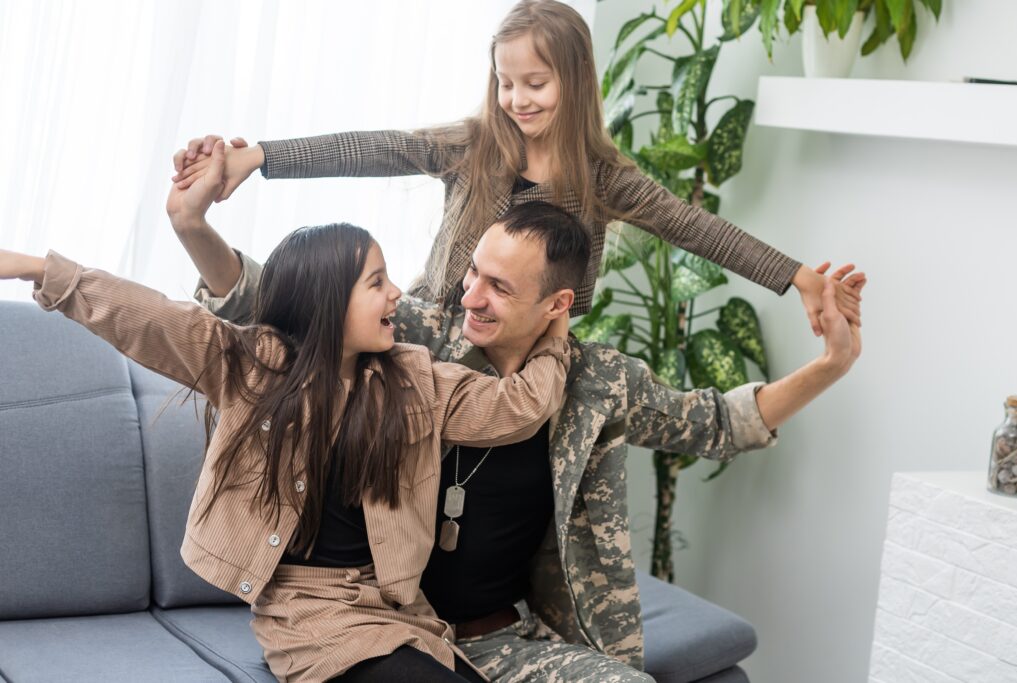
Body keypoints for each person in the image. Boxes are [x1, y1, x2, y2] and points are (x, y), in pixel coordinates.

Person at [184, 197, 863, 682]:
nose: (471, 294)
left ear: (556, 306)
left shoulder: (598, 382)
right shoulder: (415, 336)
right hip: (387, 628)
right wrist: (193, 225)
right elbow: (275, 300)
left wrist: (831, 364)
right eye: (473, 270)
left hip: (504, 641)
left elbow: (716, 421)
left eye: (498, 286)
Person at [0, 141, 574, 683]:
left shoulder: (414, 377)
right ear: (329, 298)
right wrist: (35, 268)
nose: (397, 293)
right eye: (377, 282)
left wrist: (554, 332)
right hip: (306, 616)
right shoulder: (253, 366)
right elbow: (146, 318)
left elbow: (517, 409)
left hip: (396, 612)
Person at [169, 0, 863, 335]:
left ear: (575, 80)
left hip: (522, 349)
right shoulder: (474, 144)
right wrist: (259, 156)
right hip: (432, 322)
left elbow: (694, 228)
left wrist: (798, 276)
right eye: (507, 82)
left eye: (536, 83)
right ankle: (206, 252)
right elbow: (375, 147)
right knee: (294, 315)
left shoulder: (604, 179)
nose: (517, 99)